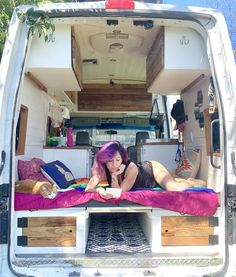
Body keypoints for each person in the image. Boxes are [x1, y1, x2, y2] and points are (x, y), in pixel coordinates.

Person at [85, 141, 206, 199]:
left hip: (152, 170)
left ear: (122, 157)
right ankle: (175, 177)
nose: (114, 164)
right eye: (110, 161)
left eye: (117, 159)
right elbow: (88, 189)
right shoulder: (100, 169)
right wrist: (100, 190)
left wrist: (114, 175)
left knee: (175, 188)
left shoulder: (131, 168)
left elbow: (118, 193)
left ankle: (193, 181)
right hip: (145, 175)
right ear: (104, 160)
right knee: (174, 181)